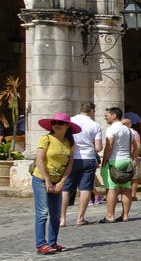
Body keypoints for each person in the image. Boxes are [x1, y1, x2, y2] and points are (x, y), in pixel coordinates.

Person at [33, 112, 76, 254]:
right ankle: (41, 244)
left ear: (67, 126)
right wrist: (47, 180)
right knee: (42, 213)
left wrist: (63, 180)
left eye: (60, 123)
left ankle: (52, 242)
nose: (56, 125)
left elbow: (70, 163)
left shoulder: (70, 143)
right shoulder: (46, 139)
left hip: (57, 181)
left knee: (56, 214)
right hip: (41, 179)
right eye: (54, 123)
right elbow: (39, 160)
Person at [61, 102, 101, 228]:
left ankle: (62, 219)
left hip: (71, 157)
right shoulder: (95, 125)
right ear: (92, 111)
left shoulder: (70, 121)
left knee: (66, 188)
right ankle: (80, 218)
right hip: (87, 158)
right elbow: (98, 147)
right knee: (85, 188)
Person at [99, 107, 139, 224]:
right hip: (126, 160)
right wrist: (131, 158)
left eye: (107, 115)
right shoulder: (129, 130)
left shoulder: (111, 129)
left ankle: (110, 215)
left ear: (114, 116)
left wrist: (104, 160)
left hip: (113, 161)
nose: (105, 117)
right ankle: (125, 215)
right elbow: (138, 146)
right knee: (126, 188)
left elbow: (109, 145)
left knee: (111, 188)